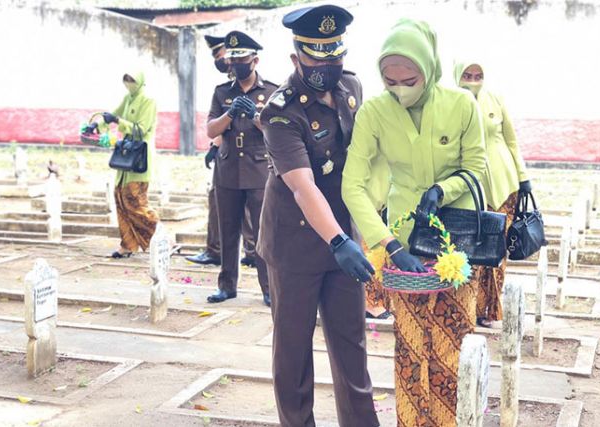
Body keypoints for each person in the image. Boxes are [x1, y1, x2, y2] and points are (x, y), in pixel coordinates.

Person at [341, 19, 487, 426]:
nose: (400, 88)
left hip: (455, 243)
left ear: (430, 68)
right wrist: (388, 243)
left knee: (451, 343)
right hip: (402, 244)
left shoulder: (461, 105)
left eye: (410, 79)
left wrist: (443, 189)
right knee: (409, 348)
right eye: (390, 81)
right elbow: (351, 185)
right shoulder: (374, 112)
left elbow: (476, 167)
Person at [258, 5, 380, 426]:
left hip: (342, 240)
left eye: (335, 56)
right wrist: (340, 241)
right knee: (293, 352)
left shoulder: (351, 87)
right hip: (295, 245)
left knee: (352, 345)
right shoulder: (279, 111)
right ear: (296, 57)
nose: (327, 66)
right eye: (317, 58)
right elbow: (302, 185)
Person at [454, 60, 531, 327]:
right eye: (467, 75)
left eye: (478, 76)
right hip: (469, 189)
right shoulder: (450, 103)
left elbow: (511, 140)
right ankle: (467, 306)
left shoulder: (496, 100)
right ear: (456, 75)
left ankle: (489, 310)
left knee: (497, 251)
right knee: (471, 249)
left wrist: (523, 178)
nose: (473, 80)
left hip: (503, 184)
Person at [205, 31, 278, 306]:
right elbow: (211, 129)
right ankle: (227, 286)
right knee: (228, 231)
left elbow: (278, 129)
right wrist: (231, 113)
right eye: (232, 59)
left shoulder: (272, 91)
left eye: (242, 58)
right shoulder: (222, 92)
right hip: (227, 170)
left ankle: (269, 288)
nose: (236, 64)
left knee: (262, 234)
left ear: (255, 60)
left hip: (259, 173)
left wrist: (255, 116)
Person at [186, 35, 257, 268]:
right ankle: (222, 255)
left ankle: (250, 252)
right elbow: (217, 123)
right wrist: (215, 145)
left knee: (252, 213)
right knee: (224, 210)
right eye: (223, 57)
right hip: (228, 159)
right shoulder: (225, 87)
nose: (224, 61)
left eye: (220, 55)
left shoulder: (260, 86)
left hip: (253, 162)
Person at [101, 71, 160, 259]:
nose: (129, 83)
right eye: (126, 80)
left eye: (132, 80)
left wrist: (118, 122)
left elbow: (141, 129)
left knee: (134, 201)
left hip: (140, 156)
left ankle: (161, 237)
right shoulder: (128, 98)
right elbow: (114, 115)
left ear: (140, 80)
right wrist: (99, 125)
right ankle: (127, 244)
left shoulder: (148, 100)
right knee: (120, 198)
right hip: (125, 155)